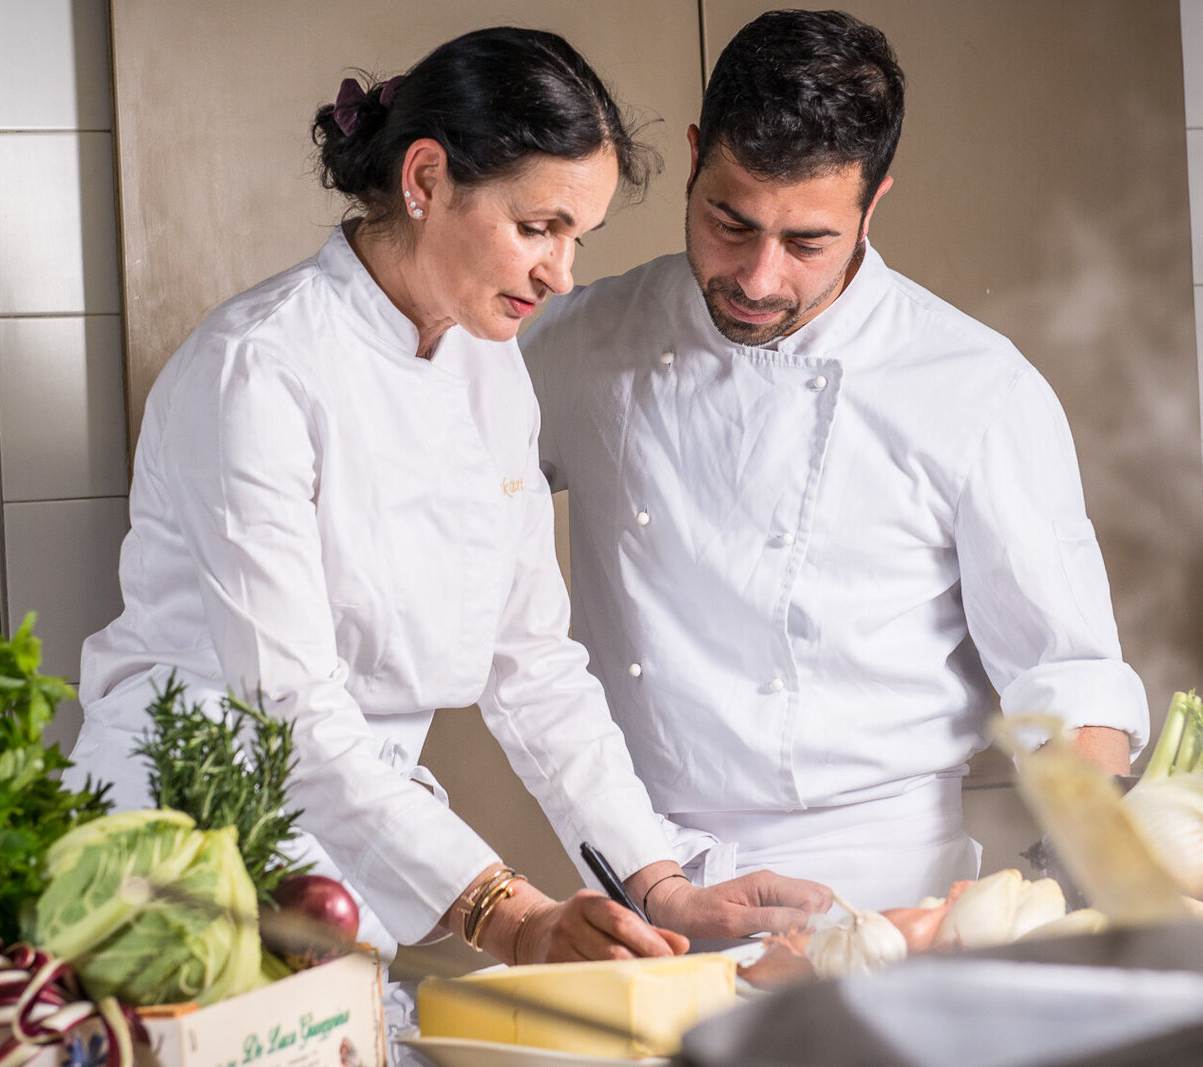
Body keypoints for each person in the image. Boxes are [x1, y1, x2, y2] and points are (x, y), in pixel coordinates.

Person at [68, 26, 827, 965]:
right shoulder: (259, 370)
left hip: (359, 859)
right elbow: (290, 714)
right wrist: (506, 914)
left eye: (576, 237)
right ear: (425, 179)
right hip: (182, 846)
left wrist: (659, 881)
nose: (561, 274)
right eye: (537, 227)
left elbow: (530, 660)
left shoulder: (486, 364)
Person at [522, 9, 1151, 911]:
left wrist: (1090, 864)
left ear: (873, 202)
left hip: (882, 894)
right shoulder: (586, 337)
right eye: (729, 222)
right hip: (639, 872)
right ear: (695, 157)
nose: (759, 277)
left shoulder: (975, 389)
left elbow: (1068, 679)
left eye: (808, 241)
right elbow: (438, 494)